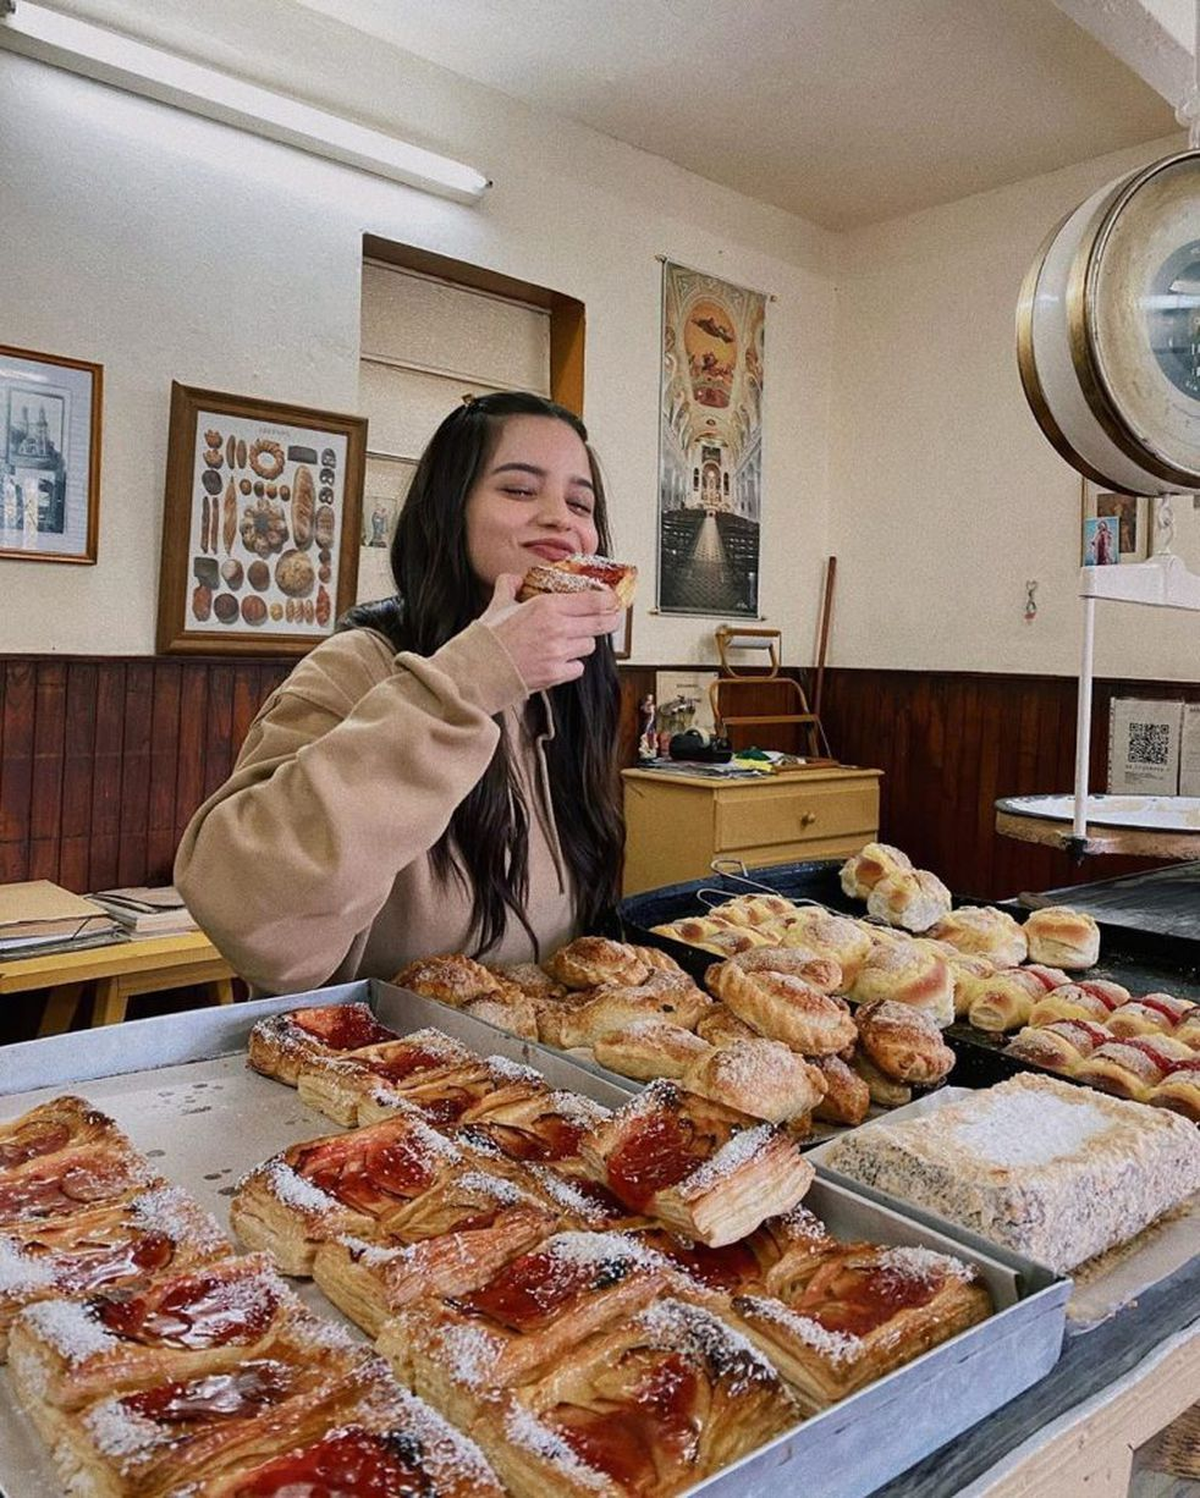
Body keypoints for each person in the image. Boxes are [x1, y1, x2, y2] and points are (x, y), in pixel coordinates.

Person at [175, 392, 625, 995]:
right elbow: (250, 915)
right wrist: (468, 682)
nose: (560, 519)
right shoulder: (356, 666)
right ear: (448, 510)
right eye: (520, 490)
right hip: (371, 1046)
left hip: (535, 1046)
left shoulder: (567, 689)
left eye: (580, 503)